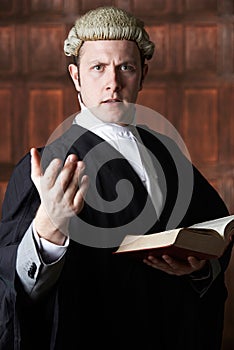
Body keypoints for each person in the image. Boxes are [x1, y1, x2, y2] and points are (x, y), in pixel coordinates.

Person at [0, 6, 232, 350]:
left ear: (143, 74)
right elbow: (15, 287)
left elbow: (213, 232)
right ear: (76, 76)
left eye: (126, 67)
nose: (113, 82)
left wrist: (198, 268)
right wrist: (47, 230)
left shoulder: (166, 153)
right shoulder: (48, 164)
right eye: (98, 68)